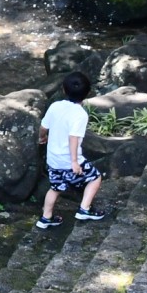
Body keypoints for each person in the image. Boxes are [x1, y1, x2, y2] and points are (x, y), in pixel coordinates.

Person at [38, 71, 107, 229]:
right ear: (88, 93)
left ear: (63, 89)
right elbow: (73, 138)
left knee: (55, 188)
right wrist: (75, 162)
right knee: (95, 178)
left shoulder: (55, 106)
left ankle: (45, 218)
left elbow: (43, 126)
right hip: (69, 161)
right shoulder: (80, 114)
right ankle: (85, 209)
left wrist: (42, 137)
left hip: (53, 160)